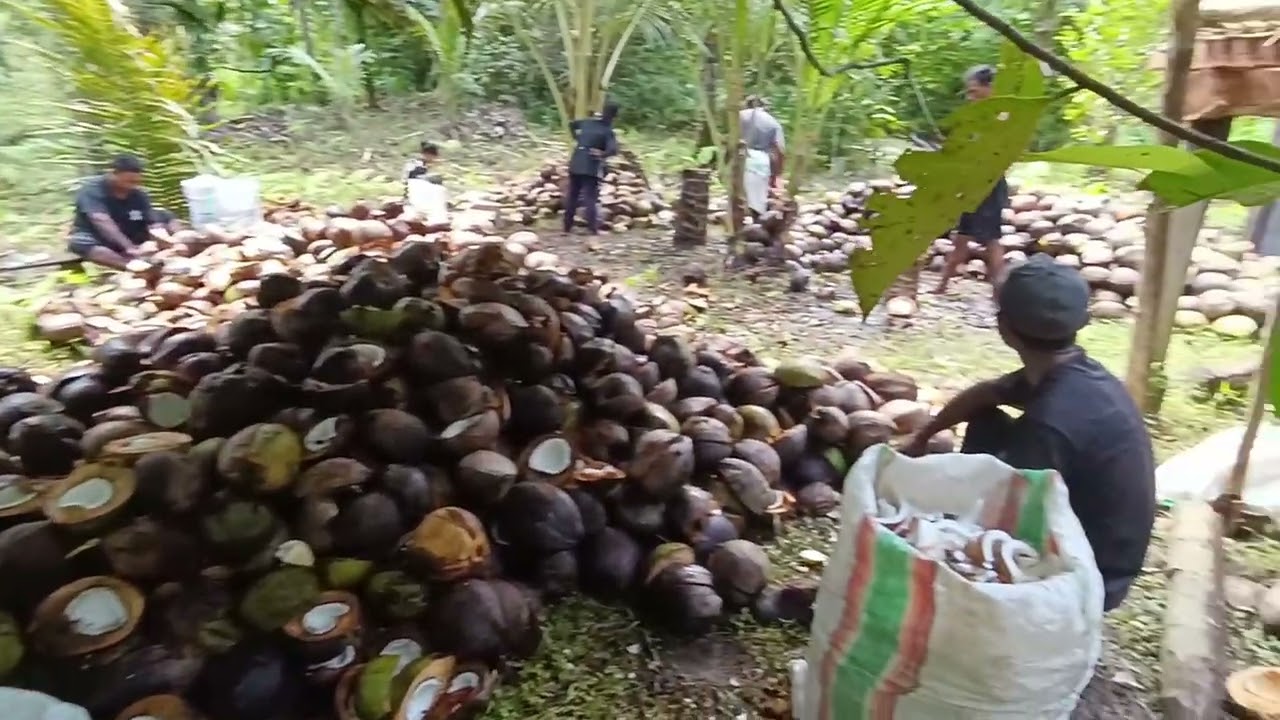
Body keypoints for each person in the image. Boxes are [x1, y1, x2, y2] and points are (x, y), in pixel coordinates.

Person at [903, 255, 1156, 612]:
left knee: (950, 540)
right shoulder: (1074, 374)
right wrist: (923, 436)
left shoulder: (1050, 422)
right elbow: (985, 394)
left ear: (1004, 329)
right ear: (1082, 322)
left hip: (1092, 577)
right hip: (1102, 546)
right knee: (986, 420)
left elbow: (1008, 515)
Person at [932, 65, 1009, 295]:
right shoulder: (980, 116)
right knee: (962, 236)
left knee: (992, 240)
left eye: (974, 91)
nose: (970, 97)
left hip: (989, 184)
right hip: (973, 183)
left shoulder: (1003, 116)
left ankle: (1003, 293)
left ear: (990, 88)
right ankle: (942, 286)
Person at [67, 155, 177, 271]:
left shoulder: (138, 194)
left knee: (165, 216)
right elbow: (100, 219)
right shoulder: (92, 190)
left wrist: (162, 237)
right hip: (98, 236)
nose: (132, 185)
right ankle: (132, 266)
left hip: (131, 231)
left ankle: (178, 251)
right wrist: (128, 246)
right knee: (81, 243)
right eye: (128, 181)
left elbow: (151, 219)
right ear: (112, 174)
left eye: (136, 181)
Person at [563, 102, 620, 235]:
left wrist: (578, 138)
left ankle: (567, 228)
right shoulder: (607, 130)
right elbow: (613, 150)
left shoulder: (588, 123)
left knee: (572, 196)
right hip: (590, 164)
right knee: (590, 197)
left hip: (576, 161)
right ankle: (592, 229)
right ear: (615, 117)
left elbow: (572, 124)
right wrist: (602, 153)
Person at [739, 95, 785, 219]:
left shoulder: (738, 116)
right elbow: (779, 150)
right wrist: (776, 175)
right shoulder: (772, 122)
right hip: (759, 161)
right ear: (764, 107)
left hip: (738, 157)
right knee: (757, 205)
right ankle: (755, 229)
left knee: (737, 199)